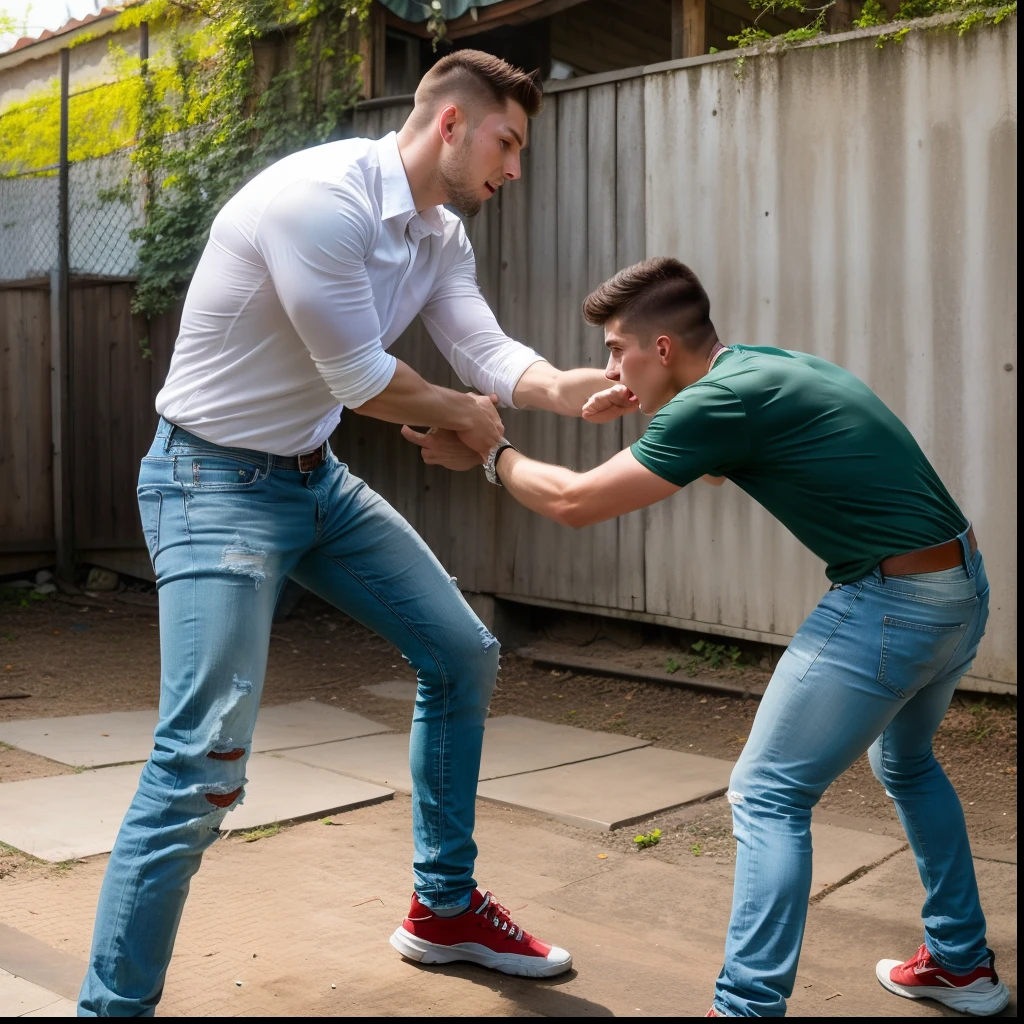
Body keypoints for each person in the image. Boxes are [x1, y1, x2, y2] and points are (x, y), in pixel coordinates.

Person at [78, 50, 629, 1015]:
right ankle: (110, 1007)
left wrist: (565, 389)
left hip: (313, 480)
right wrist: (468, 416)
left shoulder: (437, 233)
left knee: (461, 654)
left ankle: (444, 910)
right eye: (508, 142)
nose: (515, 167)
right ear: (452, 123)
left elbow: (484, 349)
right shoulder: (318, 201)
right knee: (201, 761)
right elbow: (364, 378)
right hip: (209, 480)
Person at [407, 256, 1010, 1018]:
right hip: (961, 588)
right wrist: (651, 409)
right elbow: (721, 462)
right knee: (909, 764)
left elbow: (573, 503)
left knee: (766, 796)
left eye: (614, 350)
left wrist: (492, 454)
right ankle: (961, 963)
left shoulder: (716, 404)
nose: (606, 367)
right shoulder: (757, 369)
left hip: (893, 605)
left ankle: (746, 1008)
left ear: (660, 349)